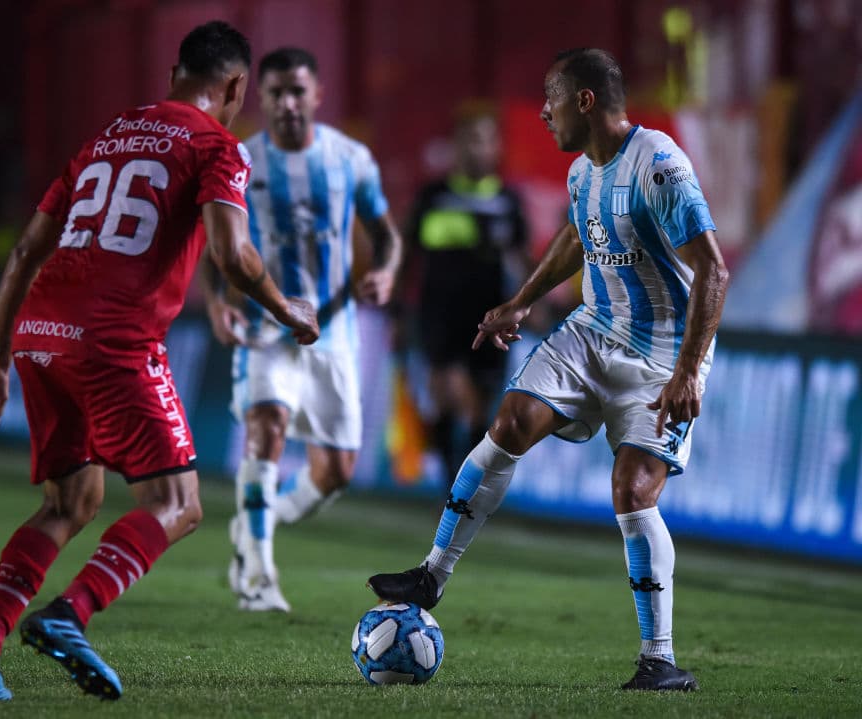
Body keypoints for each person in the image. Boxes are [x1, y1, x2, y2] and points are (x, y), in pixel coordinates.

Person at [0, 21, 318, 702]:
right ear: (235, 86)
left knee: (70, 499)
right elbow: (233, 255)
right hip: (112, 340)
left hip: (39, 332)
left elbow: (26, 250)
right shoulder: (216, 144)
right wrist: (286, 306)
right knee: (178, 502)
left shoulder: (104, 139)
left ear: (174, 75)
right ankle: (68, 614)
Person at [368, 48, 729, 692]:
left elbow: (713, 268)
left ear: (584, 101)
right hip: (592, 334)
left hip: (659, 357)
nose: (542, 112)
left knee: (633, 492)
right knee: (508, 420)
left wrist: (690, 372)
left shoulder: (660, 165)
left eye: (551, 98)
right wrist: (521, 301)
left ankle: (659, 658)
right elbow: (574, 237)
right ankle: (432, 574)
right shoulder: (582, 172)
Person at [201, 47, 402, 612]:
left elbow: (384, 234)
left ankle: (255, 524)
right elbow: (215, 246)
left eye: (297, 91)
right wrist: (217, 302)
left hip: (334, 336)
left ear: (317, 95)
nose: (287, 103)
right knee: (267, 428)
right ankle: (260, 575)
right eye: (276, 93)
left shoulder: (351, 159)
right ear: (260, 99)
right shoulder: (239, 161)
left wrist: (385, 272)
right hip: (267, 326)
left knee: (335, 472)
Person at [402, 105, 529, 488]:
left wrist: (529, 302)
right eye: (472, 140)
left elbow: (524, 261)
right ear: (457, 146)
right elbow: (407, 255)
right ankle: (450, 487)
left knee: (478, 407)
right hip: (439, 313)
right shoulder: (433, 197)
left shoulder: (508, 201)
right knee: (449, 391)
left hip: (490, 316)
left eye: (488, 140)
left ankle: (466, 485)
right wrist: (394, 307)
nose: (480, 148)